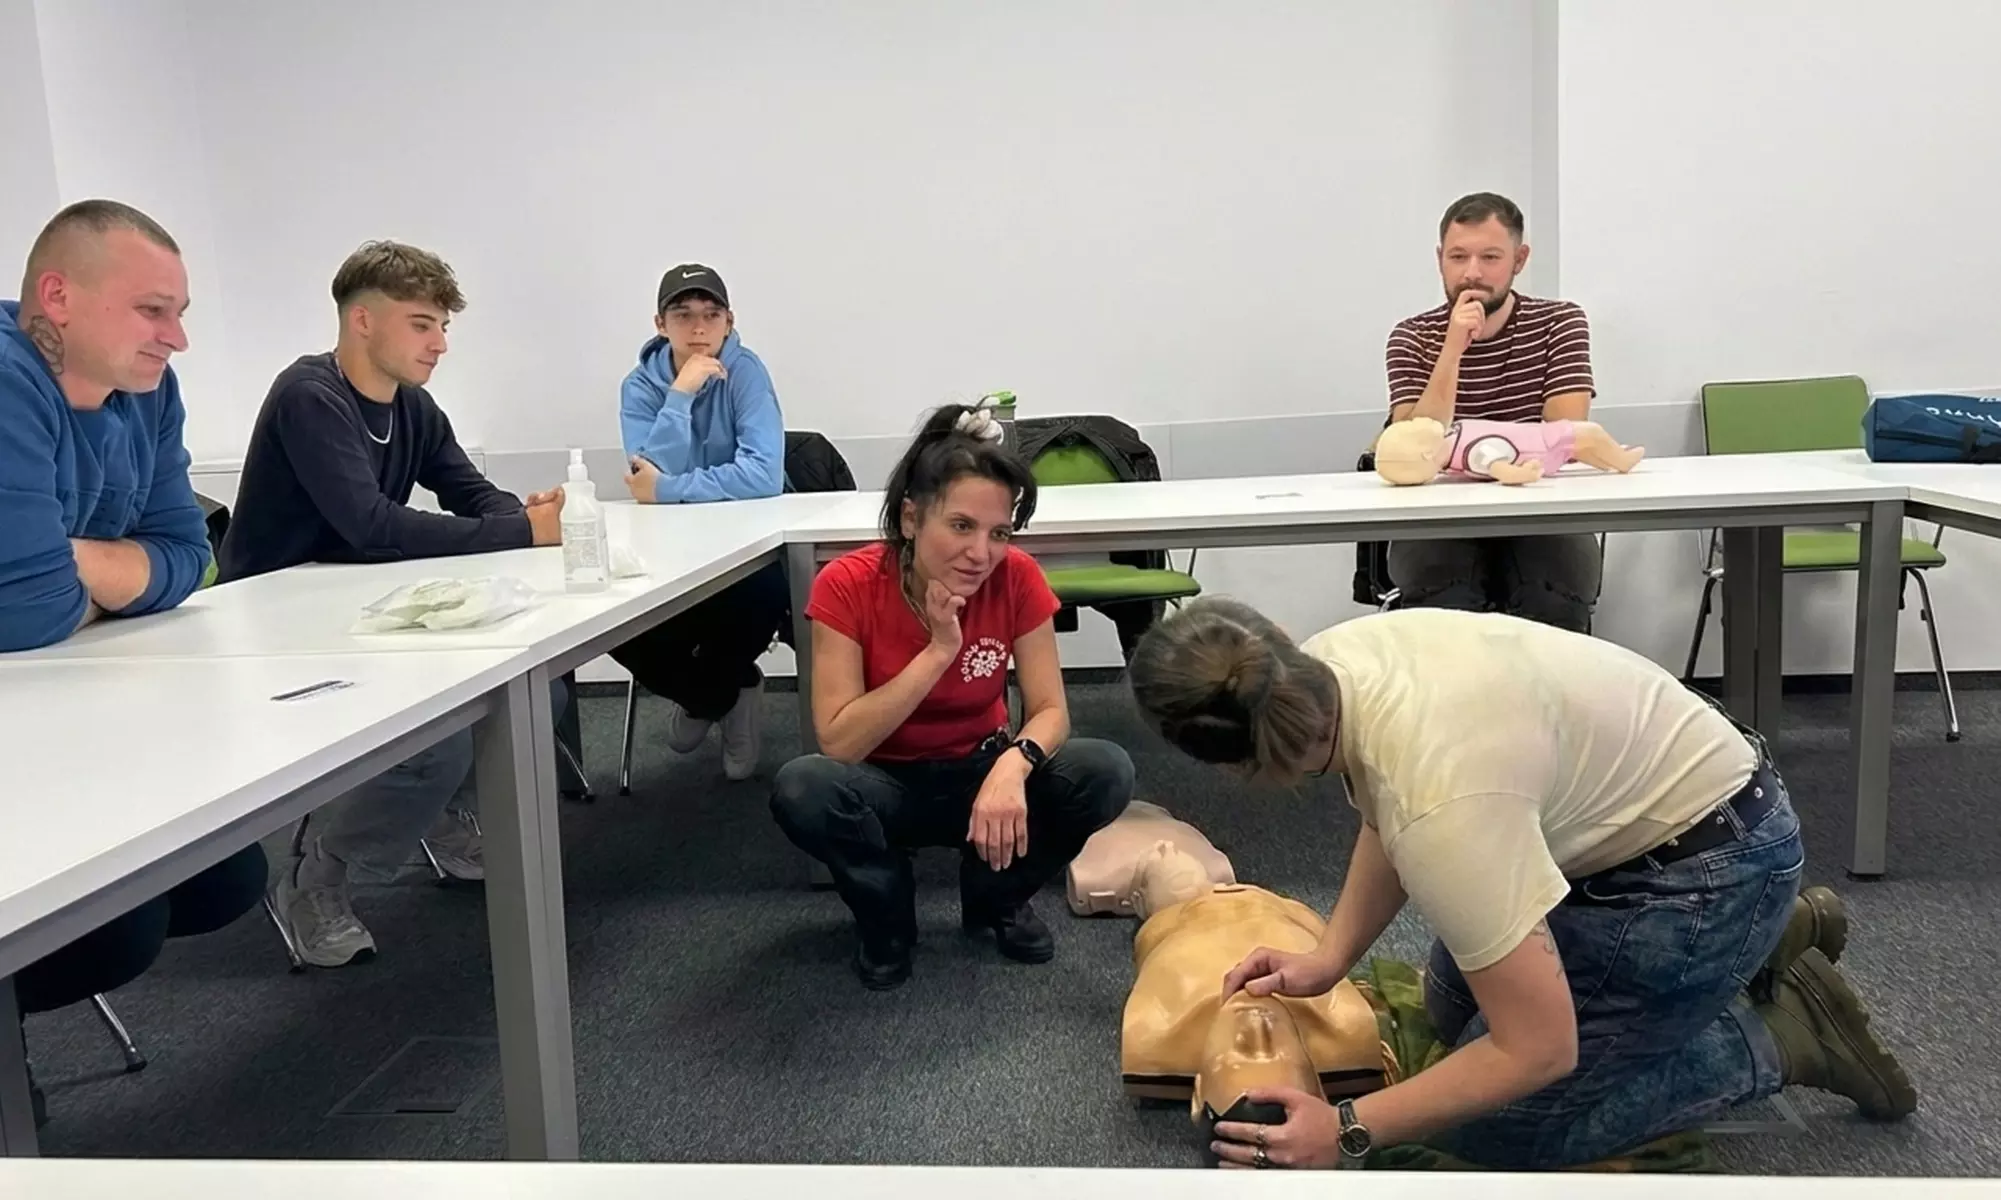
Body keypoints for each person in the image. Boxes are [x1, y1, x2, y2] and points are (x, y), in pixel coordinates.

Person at [1127, 598, 1916, 1171]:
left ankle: (1784, 1035)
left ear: (1237, 767)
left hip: (1704, 868)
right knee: (1444, 1013)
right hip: (1653, 820)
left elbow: (1536, 1049)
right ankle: (1753, 942)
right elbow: (1387, 803)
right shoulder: (1332, 661)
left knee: (1499, 1130)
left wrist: (1347, 1129)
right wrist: (1331, 955)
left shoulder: (1440, 807)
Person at [220, 239, 568, 968]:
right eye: (421, 324)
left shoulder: (413, 405)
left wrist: (520, 515)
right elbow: (371, 526)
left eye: (442, 327)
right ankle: (319, 873)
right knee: (437, 738)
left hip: (361, 608)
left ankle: (432, 813)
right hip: (274, 627)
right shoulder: (308, 396)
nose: (439, 344)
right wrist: (518, 531)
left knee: (540, 693)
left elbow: (469, 492)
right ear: (362, 322)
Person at [0, 198, 267, 1126]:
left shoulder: (146, 391)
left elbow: (193, 555)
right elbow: (28, 607)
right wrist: (86, 577)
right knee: (107, 924)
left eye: (180, 311)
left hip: (58, 694)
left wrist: (62, 556)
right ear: (58, 296)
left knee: (219, 879)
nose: (178, 337)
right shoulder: (5, 377)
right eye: (154, 310)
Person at [769, 403, 1135, 990]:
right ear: (911, 519)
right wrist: (939, 650)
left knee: (1104, 769)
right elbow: (838, 738)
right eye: (961, 526)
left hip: (980, 767)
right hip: (883, 781)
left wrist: (1014, 766)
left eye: (999, 533)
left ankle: (997, 898)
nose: (981, 553)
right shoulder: (847, 583)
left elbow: (1050, 711)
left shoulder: (1015, 576)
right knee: (803, 788)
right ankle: (886, 913)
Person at [1382, 192, 1601, 632]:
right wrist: (1451, 350)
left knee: (1551, 596)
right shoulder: (1412, 337)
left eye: (1490, 257)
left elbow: (1566, 434)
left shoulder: (1559, 323)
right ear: (1440, 259)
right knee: (1446, 606)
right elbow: (1411, 446)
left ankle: (1548, 700)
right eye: (1458, 257)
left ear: (1519, 260)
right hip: (1437, 513)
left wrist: (1468, 453)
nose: (1472, 273)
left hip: (1542, 507)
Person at [609, 264, 788, 781]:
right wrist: (680, 395)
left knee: (764, 597)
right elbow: (648, 472)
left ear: (729, 322)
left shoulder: (747, 372)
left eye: (711, 316)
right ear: (660, 324)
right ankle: (723, 696)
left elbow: (763, 476)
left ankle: (709, 696)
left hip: (747, 546)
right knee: (617, 626)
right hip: (666, 547)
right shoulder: (640, 386)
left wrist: (669, 490)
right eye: (683, 316)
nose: (699, 329)